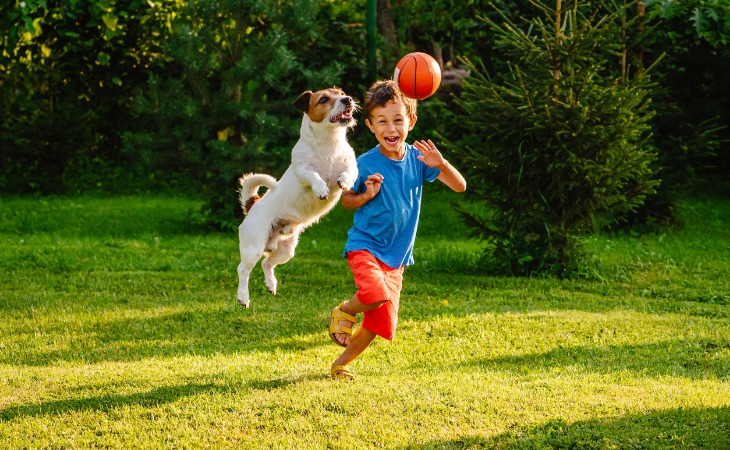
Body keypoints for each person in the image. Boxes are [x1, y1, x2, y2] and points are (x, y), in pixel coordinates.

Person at [328, 79, 467, 380]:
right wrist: (365, 195)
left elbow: (460, 186)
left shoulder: (420, 160)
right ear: (370, 125)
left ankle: (341, 364)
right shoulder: (364, 163)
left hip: (396, 257)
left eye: (398, 120)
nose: (391, 129)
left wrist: (441, 164)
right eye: (382, 121)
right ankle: (345, 311)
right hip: (366, 245)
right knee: (374, 293)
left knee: (379, 324)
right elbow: (347, 202)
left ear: (411, 122)